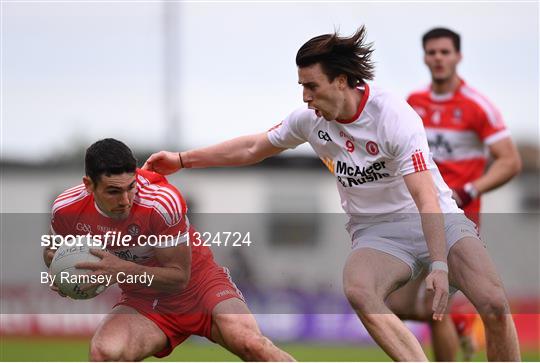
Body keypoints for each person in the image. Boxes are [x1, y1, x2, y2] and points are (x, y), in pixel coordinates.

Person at [143, 26, 521, 361]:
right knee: (358, 288)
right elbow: (252, 148)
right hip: (378, 233)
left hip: (437, 219)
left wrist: (438, 265)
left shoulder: (393, 114)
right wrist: (181, 159)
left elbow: (425, 197)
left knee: (493, 304)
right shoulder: (309, 122)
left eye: (312, 86)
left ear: (341, 81)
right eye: (302, 87)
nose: (305, 97)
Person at [43, 138, 294, 362]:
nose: (125, 200)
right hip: (144, 300)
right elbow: (54, 252)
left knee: (251, 345)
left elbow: (178, 277)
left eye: (131, 187)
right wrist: (60, 271)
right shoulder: (66, 209)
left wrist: (119, 270)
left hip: (202, 287)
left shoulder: (161, 201)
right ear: (89, 185)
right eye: (113, 191)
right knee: (105, 353)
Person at [387, 27, 522, 361]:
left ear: (458, 57)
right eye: (432, 52)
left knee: (448, 304)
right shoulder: (413, 103)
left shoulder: (477, 106)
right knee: (400, 306)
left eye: (445, 52)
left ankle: (459, 319)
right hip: (418, 213)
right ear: (424, 57)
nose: (438, 58)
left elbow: (510, 160)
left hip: (458, 219)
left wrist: (471, 188)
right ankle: (461, 321)